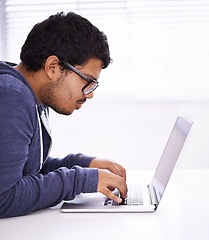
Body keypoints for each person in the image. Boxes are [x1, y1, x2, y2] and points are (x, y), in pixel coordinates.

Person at [0, 12, 127, 218]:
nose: (90, 93)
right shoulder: (11, 95)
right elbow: (4, 197)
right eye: (88, 81)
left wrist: (85, 164)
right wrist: (81, 180)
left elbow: (28, 170)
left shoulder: (29, 94)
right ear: (53, 67)